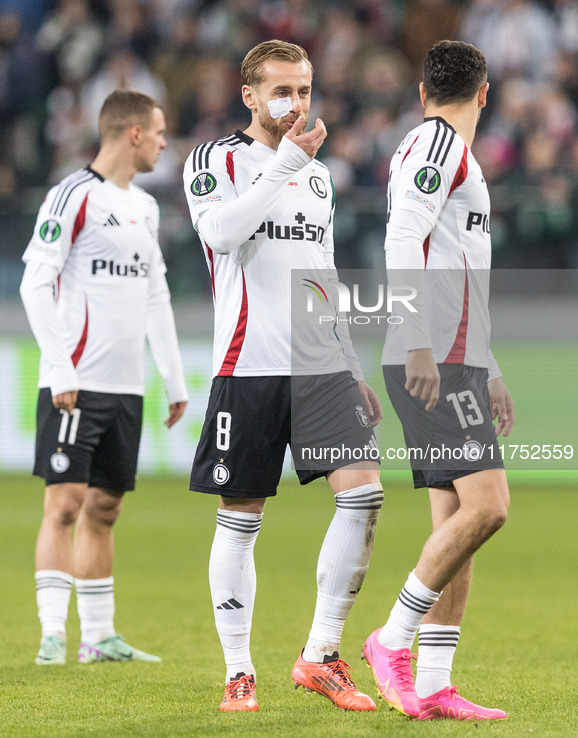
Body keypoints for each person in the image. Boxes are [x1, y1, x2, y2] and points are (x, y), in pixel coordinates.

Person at [182, 40, 384, 713]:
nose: (295, 103)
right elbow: (221, 235)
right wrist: (285, 165)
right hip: (249, 365)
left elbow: (319, 278)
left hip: (320, 364)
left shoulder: (318, 177)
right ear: (248, 95)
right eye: (280, 90)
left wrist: (351, 363)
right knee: (241, 517)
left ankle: (321, 655)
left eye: (303, 90)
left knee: (363, 496)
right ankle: (238, 670)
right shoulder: (216, 160)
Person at [361, 40, 514, 721]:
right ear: (484, 93)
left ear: (423, 90)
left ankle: (433, 682)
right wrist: (421, 345)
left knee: (458, 521)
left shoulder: (445, 151)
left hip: (457, 358)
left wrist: (491, 368)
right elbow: (401, 239)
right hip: (431, 358)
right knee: (489, 507)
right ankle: (389, 640)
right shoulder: (437, 145)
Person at [20, 89, 188, 666]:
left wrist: (173, 376)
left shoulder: (145, 207)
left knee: (105, 509)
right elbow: (33, 285)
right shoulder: (71, 196)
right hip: (75, 383)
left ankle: (98, 636)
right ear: (133, 133)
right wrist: (61, 364)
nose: (166, 143)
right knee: (63, 505)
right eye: (160, 133)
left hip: (125, 387)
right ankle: (51, 634)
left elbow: (157, 293)